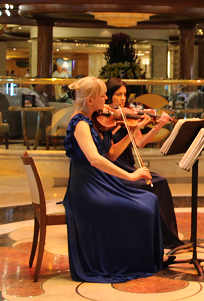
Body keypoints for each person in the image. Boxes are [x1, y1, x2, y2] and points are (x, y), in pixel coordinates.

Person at [62, 76, 169, 283]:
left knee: (150, 200)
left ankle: (145, 259)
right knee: (141, 208)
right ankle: (128, 261)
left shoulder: (94, 120)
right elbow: (94, 159)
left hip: (100, 182)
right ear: (90, 100)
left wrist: (133, 130)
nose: (106, 98)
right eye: (102, 95)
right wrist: (131, 175)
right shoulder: (80, 123)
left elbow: (110, 154)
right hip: (87, 188)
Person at [105, 79, 184, 248]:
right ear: (109, 95)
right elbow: (108, 148)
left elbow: (140, 143)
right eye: (118, 94)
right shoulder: (105, 117)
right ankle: (153, 237)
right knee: (150, 187)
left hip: (128, 164)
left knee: (161, 181)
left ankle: (166, 237)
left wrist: (158, 125)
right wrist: (124, 125)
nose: (122, 98)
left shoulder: (129, 114)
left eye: (125, 94)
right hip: (114, 169)